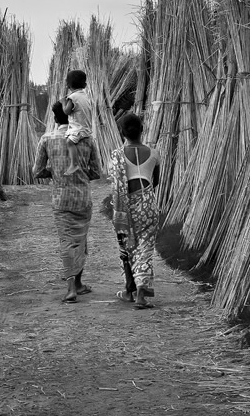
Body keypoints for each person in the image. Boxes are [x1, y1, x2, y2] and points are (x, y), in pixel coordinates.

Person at [33, 100, 102, 303]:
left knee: (67, 241)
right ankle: (79, 283)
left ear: (55, 118)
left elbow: (36, 172)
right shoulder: (87, 139)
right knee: (81, 240)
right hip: (82, 199)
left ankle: (71, 288)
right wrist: (80, 175)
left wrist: (55, 173)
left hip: (61, 200)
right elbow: (97, 172)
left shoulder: (47, 139)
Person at [109, 113, 160, 309]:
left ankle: (129, 290)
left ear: (122, 132)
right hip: (148, 206)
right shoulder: (154, 153)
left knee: (127, 249)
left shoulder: (117, 155)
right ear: (142, 130)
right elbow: (155, 182)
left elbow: (115, 184)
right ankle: (140, 294)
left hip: (125, 208)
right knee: (145, 249)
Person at [61, 69, 93, 176]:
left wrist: (63, 102)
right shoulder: (86, 96)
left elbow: (66, 111)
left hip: (78, 129)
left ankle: (74, 164)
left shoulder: (73, 97)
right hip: (87, 128)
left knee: (69, 142)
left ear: (68, 85)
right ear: (85, 84)